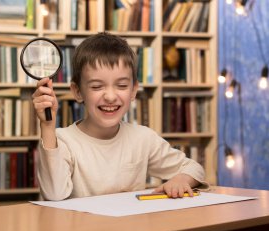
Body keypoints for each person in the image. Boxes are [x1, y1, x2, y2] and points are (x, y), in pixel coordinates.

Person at [32, 32, 207, 201]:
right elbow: (53, 194)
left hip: (132, 230)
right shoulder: (63, 141)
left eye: (122, 85)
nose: (110, 96)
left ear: (133, 90)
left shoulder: (142, 138)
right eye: (97, 86)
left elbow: (194, 168)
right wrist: (47, 127)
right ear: (77, 92)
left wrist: (181, 180)